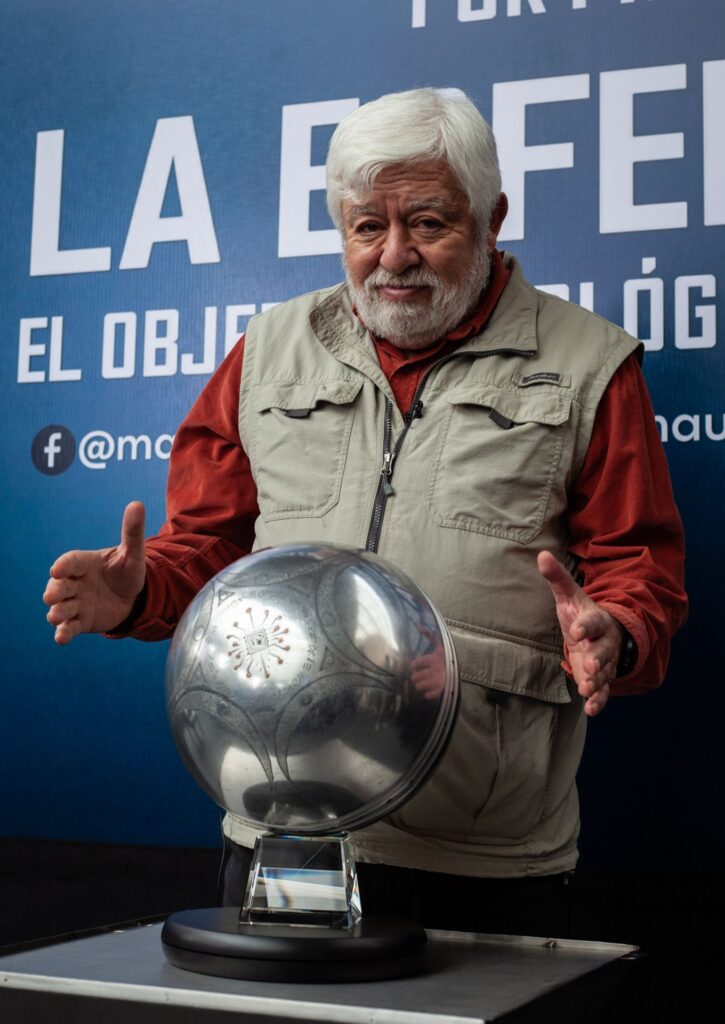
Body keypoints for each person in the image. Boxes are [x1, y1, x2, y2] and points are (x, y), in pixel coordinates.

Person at [43, 88, 686, 936]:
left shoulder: (589, 365)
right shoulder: (267, 352)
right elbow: (207, 549)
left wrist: (618, 631)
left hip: (483, 852)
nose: (393, 257)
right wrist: (141, 594)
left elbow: (640, 566)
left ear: (491, 218)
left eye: (427, 223)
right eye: (365, 227)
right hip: (287, 831)